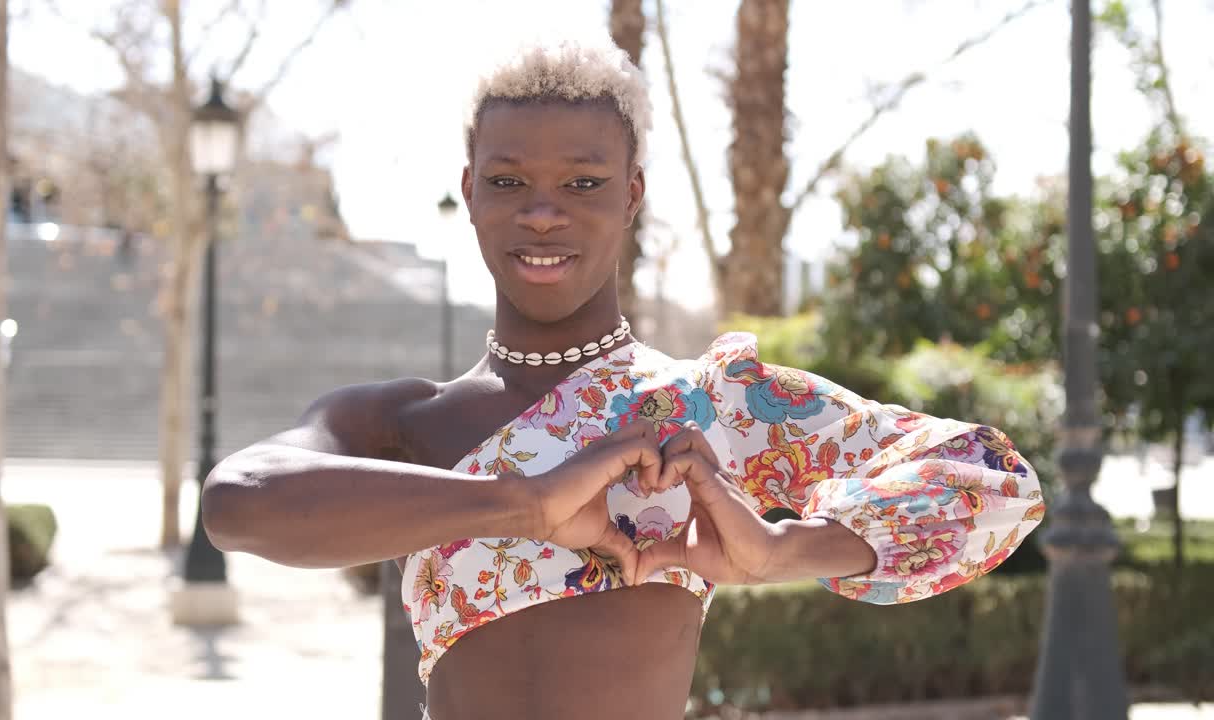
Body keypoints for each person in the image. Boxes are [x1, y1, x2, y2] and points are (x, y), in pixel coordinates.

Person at [202, 36, 1045, 720]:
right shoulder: (403, 422)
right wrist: (528, 504)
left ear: (632, 192)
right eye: (507, 182)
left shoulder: (709, 408)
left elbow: (993, 482)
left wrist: (782, 551)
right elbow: (238, 501)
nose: (542, 211)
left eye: (583, 182)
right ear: (469, 192)